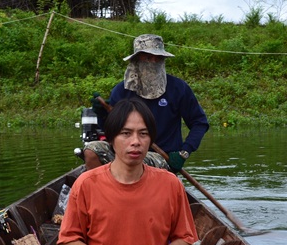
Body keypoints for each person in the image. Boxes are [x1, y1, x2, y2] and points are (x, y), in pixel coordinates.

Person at [28, 98, 216, 245]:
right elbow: (68, 242)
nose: (135, 142)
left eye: (143, 134)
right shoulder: (87, 183)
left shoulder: (169, 184)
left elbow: (185, 241)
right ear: (112, 138)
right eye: (126, 133)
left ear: (151, 139)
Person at [84, 33, 209, 172]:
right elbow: (110, 131)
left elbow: (200, 122)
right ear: (137, 60)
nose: (154, 62)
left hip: (161, 157)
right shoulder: (122, 90)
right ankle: (101, 191)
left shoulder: (178, 88)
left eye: (158, 58)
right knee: (92, 150)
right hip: (126, 151)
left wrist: (184, 152)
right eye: (148, 58)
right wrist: (102, 115)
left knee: (137, 161)